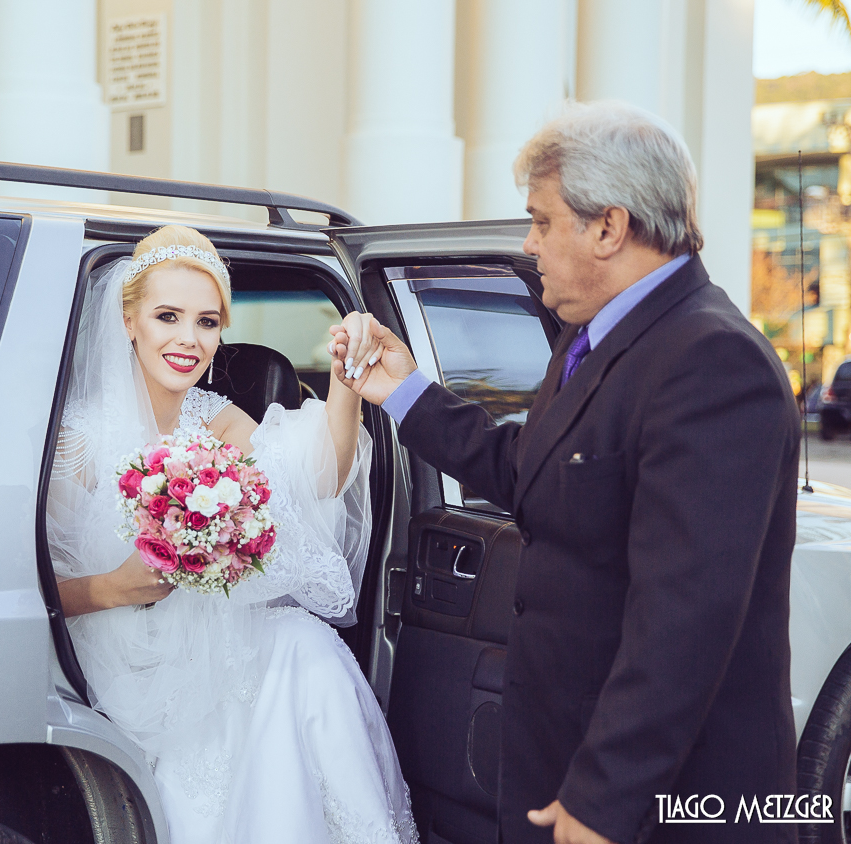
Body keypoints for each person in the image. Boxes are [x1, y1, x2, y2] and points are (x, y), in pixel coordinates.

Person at [331, 102, 799, 844]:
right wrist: (403, 390)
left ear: (608, 227)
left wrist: (601, 803)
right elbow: (530, 472)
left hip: (659, 806)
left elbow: (683, 620)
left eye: (543, 221)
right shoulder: (593, 339)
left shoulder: (713, 361)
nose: (529, 243)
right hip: (563, 769)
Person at [45, 225, 416, 844]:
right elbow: (27, 591)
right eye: (168, 317)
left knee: (308, 646)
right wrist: (115, 587)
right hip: (120, 659)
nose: (189, 340)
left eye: (208, 322)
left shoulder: (214, 419)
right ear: (129, 322)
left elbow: (315, 479)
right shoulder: (76, 442)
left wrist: (344, 389)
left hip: (212, 634)